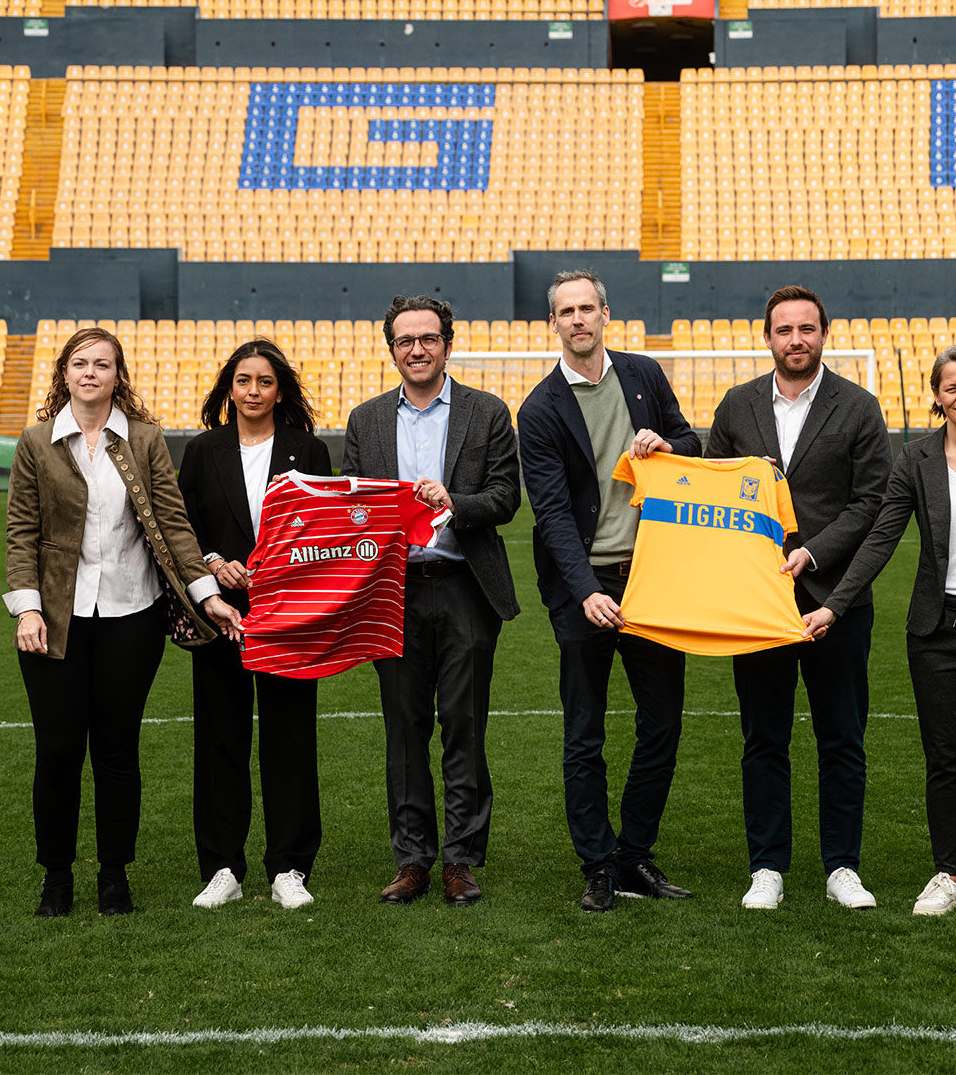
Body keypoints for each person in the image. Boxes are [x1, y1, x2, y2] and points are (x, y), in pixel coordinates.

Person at [803, 345, 956, 920]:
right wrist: (834, 608)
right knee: (945, 760)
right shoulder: (916, 459)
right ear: (937, 397)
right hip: (936, 632)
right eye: (950, 388)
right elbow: (880, 540)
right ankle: (948, 876)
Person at [5, 326, 244, 918]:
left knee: (117, 751)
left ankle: (115, 878)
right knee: (58, 751)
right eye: (80, 364)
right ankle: (56, 879)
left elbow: (173, 524)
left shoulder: (144, 439)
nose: (91, 373)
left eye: (103, 365)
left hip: (131, 616)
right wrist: (27, 607)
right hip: (53, 620)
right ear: (65, 373)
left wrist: (206, 594)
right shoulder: (36, 442)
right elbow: (21, 532)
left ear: (118, 376)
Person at [517, 269, 702, 913]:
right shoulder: (539, 410)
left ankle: (634, 857)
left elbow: (692, 442)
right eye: (564, 311)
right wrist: (585, 592)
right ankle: (596, 865)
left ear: (604, 314)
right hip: (583, 586)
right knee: (584, 732)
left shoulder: (644, 376)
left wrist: (665, 442)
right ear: (554, 324)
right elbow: (552, 514)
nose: (577, 320)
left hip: (654, 577)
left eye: (586, 308)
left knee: (663, 724)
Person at [704, 286, 892, 912]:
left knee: (842, 738)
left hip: (837, 600)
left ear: (823, 334)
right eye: (784, 330)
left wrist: (813, 554)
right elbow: (715, 497)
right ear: (767, 337)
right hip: (758, 605)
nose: (796, 340)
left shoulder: (859, 408)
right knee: (763, 739)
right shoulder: (737, 406)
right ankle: (767, 866)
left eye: (807, 328)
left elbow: (871, 504)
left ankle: (842, 864)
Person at [341, 295, 521, 907]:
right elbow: (350, 508)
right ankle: (413, 859)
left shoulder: (488, 411)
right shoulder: (365, 421)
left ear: (448, 342)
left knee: (464, 727)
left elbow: (505, 497)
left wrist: (453, 502)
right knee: (404, 729)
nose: (416, 349)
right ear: (391, 348)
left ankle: (461, 861)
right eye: (404, 340)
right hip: (391, 593)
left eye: (427, 338)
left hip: (466, 586)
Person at [175, 339, 334, 912]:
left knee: (291, 739)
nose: (253, 392)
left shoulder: (308, 451)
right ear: (229, 388)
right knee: (220, 741)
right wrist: (216, 564)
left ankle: (289, 867)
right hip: (221, 617)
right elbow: (183, 530)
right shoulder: (202, 452)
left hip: (288, 618)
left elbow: (323, 535)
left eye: (264, 382)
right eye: (243, 381)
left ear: (279, 389)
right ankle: (222, 867)